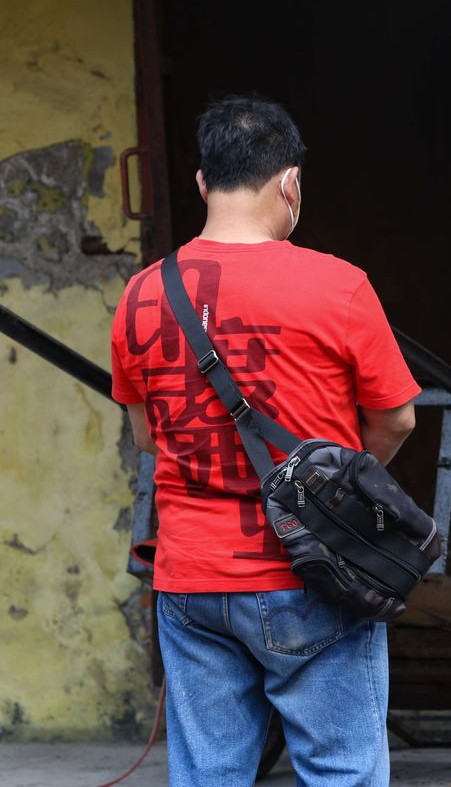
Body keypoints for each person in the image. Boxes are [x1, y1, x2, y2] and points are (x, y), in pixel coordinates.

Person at [110, 94, 419, 786]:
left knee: (210, 774)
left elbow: (147, 437)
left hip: (189, 582)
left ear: (200, 183)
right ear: (290, 183)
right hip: (311, 574)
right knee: (340, 770)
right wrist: (342, 483)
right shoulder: (338, 286)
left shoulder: (138, 295)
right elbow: (397, 418)